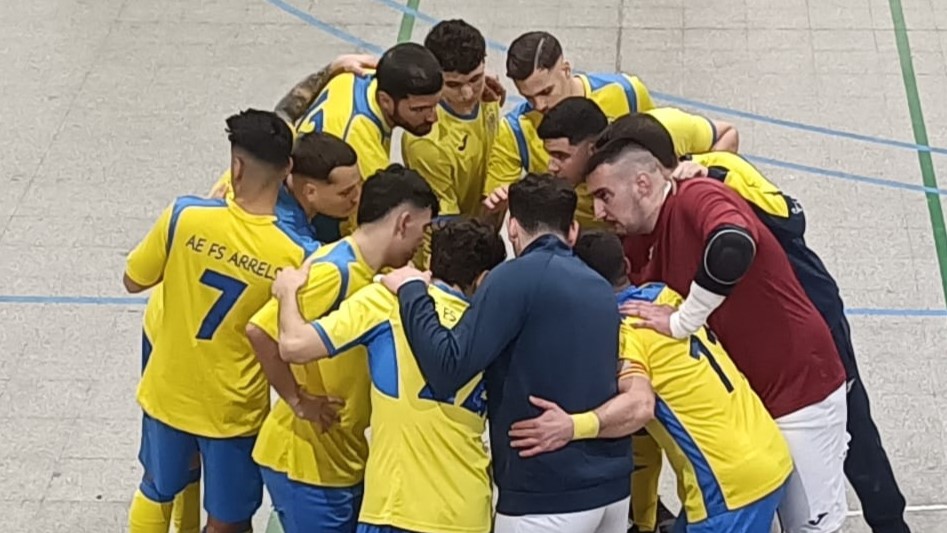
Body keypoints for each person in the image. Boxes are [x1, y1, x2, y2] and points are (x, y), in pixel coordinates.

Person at [583, 115, 849, 533]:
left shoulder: (697, 195)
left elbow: (732, 244)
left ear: (643, 184)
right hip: (748, 414)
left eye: (604, 196)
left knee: (809, 527)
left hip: (798, 390)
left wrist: (684, 319)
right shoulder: (635, 241)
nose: (598, 211)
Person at [669, 151, 911, 533]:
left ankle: (890, 523)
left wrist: (717, 175)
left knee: (855, 430)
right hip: (754, 341)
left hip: (811, 316)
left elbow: (791, 218)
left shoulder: (715, 173)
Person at [378, 173, 632, 533]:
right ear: (573, 230)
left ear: (513, 228)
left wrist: (412, 293)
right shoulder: (601, 288)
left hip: (545, 497)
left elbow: (448, 368)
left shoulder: (513, 278)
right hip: (613, 493)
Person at [510, 230, 794, 532]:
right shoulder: (664, 297)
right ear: (626, 265)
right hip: (767, 447)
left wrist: (572, 426)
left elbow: (639, 406)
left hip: (730, 486)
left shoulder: (625, 328)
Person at [123, 109, 314, 533]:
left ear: (236, 167)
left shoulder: (185, 215)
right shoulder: (296, 255)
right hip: (232, 410)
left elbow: (133, 280)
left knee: (156, 488)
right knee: (229, 519)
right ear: (287, 170)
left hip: (168, 391)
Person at [273, 218, 507, 533]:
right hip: (467, 512)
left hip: (395, 509)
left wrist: (287, 292)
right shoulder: (497, 328)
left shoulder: (385, 301)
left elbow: (293, 345)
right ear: (485, 280)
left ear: (431, 263)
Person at [246, 164, 439, 533]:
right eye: (423, 229)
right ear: (403, 223)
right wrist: (297, 400)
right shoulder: (334, 272)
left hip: (341, 458)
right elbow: (260, 332)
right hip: (307, 462)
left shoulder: (376, 274)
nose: (422, 241)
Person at [483, 31, 738, 227]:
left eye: (546, 91)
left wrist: (694, 179)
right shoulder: (514, 132)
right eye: (528, 98)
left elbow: (667, 142)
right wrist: (499, 206)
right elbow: (488, 217)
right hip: (582, 248)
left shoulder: (626, 92)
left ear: (566, 70)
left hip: (642, 233)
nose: (540, 106)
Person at [531, 96, 735, 230]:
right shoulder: (567, 190)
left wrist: (696, 181)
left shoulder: (664, 127)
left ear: (592, 149)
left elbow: (728, 133)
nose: (551, 167)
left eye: (561, 156)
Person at [401, 19, 504, 267]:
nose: (467, 94)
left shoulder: (487, 96)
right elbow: (447, 229)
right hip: (449, 252)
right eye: (453, 85)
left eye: (475, 78)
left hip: (482, 231)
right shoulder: (427, 142)